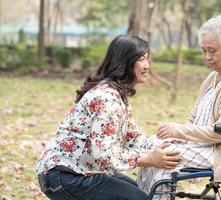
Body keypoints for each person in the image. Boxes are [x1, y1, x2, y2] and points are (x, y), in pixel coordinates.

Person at [36, 35, 182, 200]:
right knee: (137, 198)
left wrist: (161, 145)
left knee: (136, 191)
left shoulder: (118, 94)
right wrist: (149, 159)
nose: (147, 66)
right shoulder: (107, 98)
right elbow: (103, 155)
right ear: (125, 62)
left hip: (82, 170)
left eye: (147, 59)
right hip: (63, 176)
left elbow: (132, 138)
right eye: (141, 59)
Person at [137, 15, 221, 199]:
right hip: (206, 144)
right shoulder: (213, 77)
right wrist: (179, 136)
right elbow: (194, 116)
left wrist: (180, 132)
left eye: (212, 51)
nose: (207, 57)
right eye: (204, 50)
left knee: (164, 162)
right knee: (151, 150)